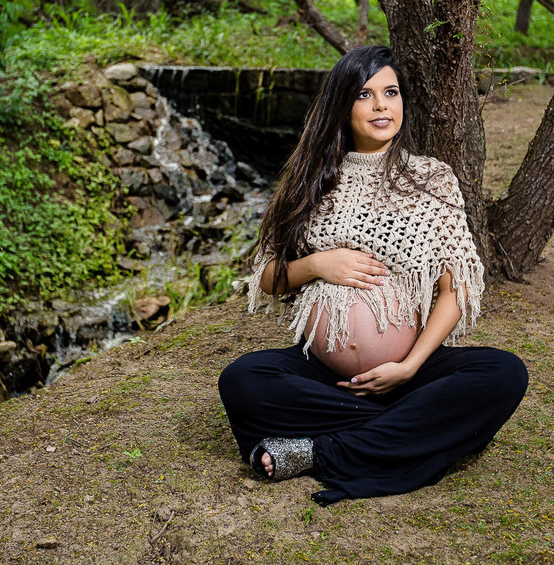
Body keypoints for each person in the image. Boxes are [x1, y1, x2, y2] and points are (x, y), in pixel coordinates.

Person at [218, 44, 529, 506]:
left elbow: (454, 288)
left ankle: (319, 450)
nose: (382, 105)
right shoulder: (309, 179)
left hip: (412, 369)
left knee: (504, 373)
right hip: (326, 376)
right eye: (365, 94)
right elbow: (267, 275)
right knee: (242, 379)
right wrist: (317, 265)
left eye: (391, 92)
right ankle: (411, 430)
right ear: (342, 105)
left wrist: (408, 366)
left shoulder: (431, 178)